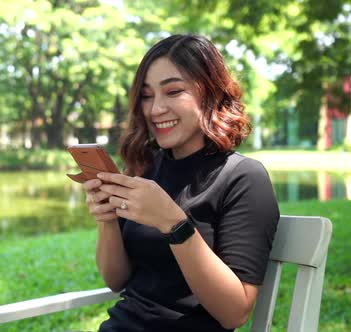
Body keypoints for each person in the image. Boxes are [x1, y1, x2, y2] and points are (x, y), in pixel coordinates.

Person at [83, 34, 280, 332]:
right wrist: (107, 220)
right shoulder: (147, 169)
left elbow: (235, 313)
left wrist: (174, 223)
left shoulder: (243, 177)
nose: (155, 109)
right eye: (147, 96)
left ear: (211, 93)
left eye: (173, 91)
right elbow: (116, 281)